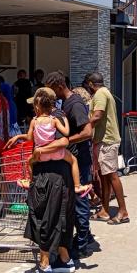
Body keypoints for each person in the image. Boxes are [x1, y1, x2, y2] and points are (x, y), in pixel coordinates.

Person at [44, 71, 97, 258]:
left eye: (51, 90)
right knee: (75, 200)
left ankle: (81, 246)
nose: (50, 95)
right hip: (74, 159)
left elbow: (87, 132)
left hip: (80, 160)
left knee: (80, 201)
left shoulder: (74, 104)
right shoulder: (67, 103)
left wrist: (67, 141)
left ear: (59, 86)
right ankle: (86, 236)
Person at [7, 87, 91, 196]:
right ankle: (77, 186)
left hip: (41, 157)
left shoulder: (35, 120)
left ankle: (29, 181)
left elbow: (31, 138)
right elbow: (66, 133)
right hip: (58, 154)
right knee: (74, 160)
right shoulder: (54, 119)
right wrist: (66, 120)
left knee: (29, 161)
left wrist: (38, 148)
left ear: (37, 107)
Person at [22, 123, 76, 273]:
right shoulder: (54, 120)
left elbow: (64, 142)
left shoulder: (52, 119)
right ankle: (64, 260)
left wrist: (39, 151)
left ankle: (45, 265)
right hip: (57, 177)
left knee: (43, 218)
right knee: (59, 217)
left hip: (49, 178)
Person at [87, 73, 129, 225]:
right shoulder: (105, 92)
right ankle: (104, 210)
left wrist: (84, 127)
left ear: (91, 84)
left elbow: (97, 115)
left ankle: (123, 211)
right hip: (104, 140)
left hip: (107, 141)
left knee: (112, 176)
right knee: (104, 177)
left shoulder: (100, 94)